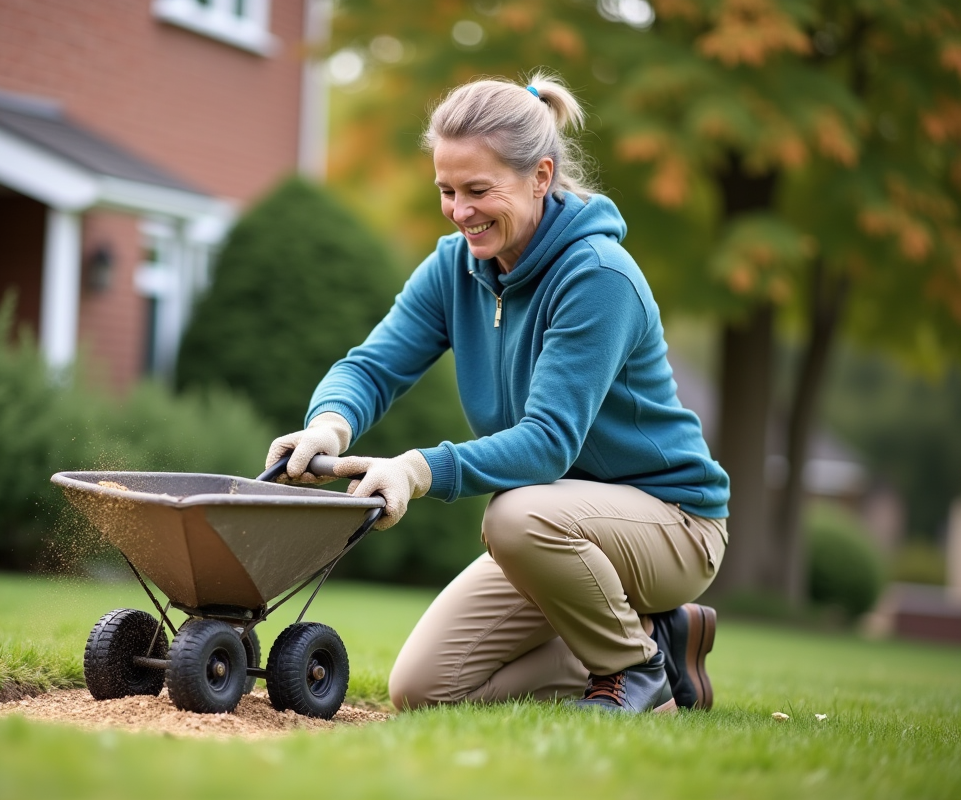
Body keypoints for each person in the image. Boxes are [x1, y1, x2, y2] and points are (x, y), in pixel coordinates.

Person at [265, 72, 729, 715]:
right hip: (558, 531)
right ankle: (660, 643)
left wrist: (419, 469)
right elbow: (372, 366)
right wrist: (329, 425)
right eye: (447, 191)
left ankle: (633, 668)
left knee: (512, 515)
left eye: (479, 191)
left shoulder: (598, 276)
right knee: (422, 690)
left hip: (671, 523)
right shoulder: (454, 266)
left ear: (540, 177)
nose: (461, 211)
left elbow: (547, 444)